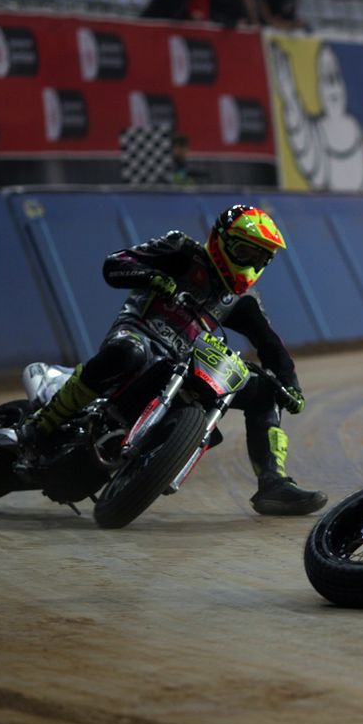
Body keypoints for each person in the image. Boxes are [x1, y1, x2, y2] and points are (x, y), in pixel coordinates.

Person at [18, 205, 328, 516]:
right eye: (247, 252)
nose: (252, 263)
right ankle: (43, 423)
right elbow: (115, 264)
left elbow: (271, 344)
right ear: (222, 241)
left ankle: (273, 483)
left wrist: (290, 385)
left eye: (260, 258)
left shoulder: (243, 300)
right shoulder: (181, 249)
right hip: (138, 332)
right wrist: (152, 277)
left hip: (183, 362)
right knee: (129, 353)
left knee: (265, 393)